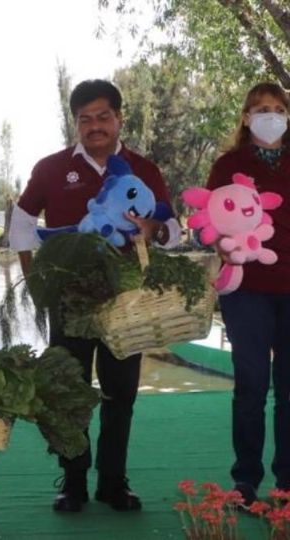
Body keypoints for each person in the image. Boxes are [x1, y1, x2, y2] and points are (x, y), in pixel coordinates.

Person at [9, 79, 180, 512]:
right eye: (85, 119)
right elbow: (22, 225)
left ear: (120, 118)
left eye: (104, 116)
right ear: (76, 124)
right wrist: (36, 280)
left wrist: (153, 230)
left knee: (120, 394)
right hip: (68, 301)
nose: (95, 126)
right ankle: (73, 482)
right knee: (70, 391)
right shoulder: (50, 169)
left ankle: (113, 482)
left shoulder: (145, 169)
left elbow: (174, 232)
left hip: (128, 302)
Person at [206, 82, 290, 506]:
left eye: (278, 108)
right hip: (247, 291)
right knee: (251, 387)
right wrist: (221, 243)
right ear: (245, 117)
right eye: (260, 109)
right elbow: (211, 221)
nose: (270, 115)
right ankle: (246, 481)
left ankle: (287, 484)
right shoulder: (227, 165)